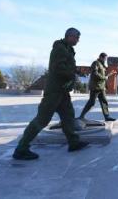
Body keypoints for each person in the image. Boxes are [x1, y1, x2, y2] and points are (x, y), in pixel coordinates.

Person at [12, 28, 88, 160]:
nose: (78, 40)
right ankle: (21, 148)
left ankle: (73, 142)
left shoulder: (68, 49)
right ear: (69, 36)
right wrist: (72, 75)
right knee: (42, 119)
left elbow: (67, 66)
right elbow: (57, 68)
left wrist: (77, 71)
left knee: (68, 116)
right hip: (54, 91)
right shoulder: (59, 48)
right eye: (77, 37)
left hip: (63, 92)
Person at [79, 53, 117, 122]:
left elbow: (103, 75)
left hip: (101, 87)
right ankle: (81, 116)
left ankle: (107, 116)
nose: (105, 60)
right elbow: (95, 74)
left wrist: (109, 74)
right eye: (104, 58)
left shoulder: (102, 65)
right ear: (100, 57)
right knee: (91, 102)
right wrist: (104, 78)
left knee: (104, 101)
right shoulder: (95, 63)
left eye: (106, 59)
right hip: (95, 87)